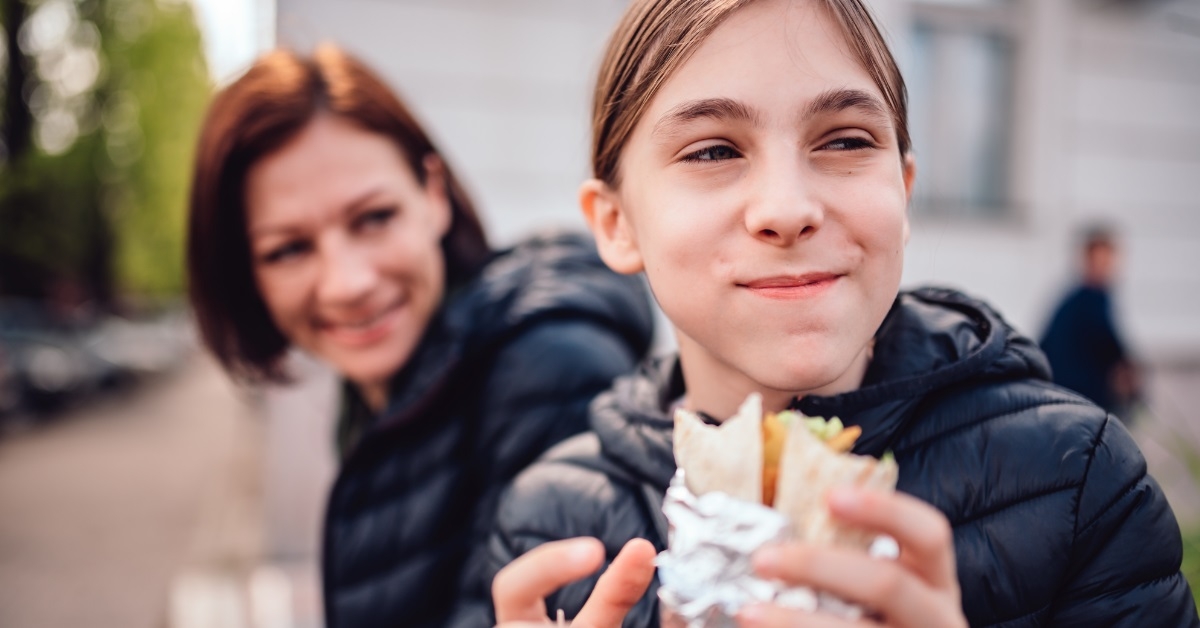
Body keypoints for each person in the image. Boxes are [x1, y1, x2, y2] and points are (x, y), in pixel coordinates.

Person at [481, 1, 1199, 626]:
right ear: (616, 224)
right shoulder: (548, 523)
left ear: (904, 189)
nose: (788, 210)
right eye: (712, 150)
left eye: (846, 140)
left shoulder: (1079, 482)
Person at [184, 45, 655, 628]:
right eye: (289, 249)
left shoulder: (546, 369)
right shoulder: (379, 385)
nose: (347, 283)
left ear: (432, 195)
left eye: (374, 218)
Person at [1040, 226, 1139, 417]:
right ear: (1086, 261)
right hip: (1077, 395)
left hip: (1073, 395)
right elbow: (1107, 341)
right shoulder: (1087, 299)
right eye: (1099, 261)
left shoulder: (1086, 298)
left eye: (1108, 261)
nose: (1105, 268)